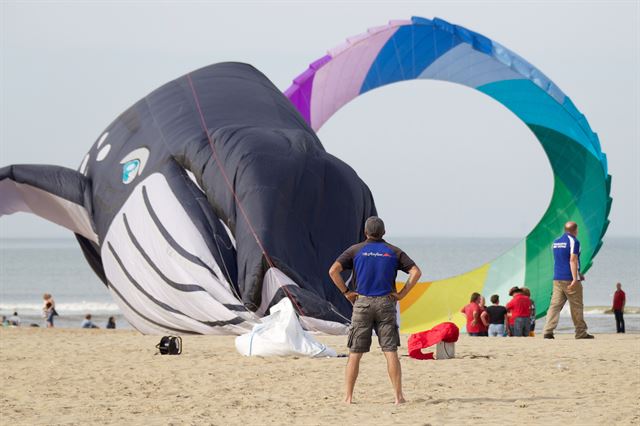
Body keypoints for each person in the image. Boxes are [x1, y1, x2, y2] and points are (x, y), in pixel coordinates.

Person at [328, 216, 421, 405]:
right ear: (384, 232)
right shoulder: (393, 251)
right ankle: (398, 397)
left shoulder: (356, 250)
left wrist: (346, 292)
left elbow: (333, 271)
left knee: (355, 352)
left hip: (362, 303)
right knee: (390, 351)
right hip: (386, 303)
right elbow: (416, 272)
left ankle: (348, 397)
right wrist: (402, 293)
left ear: (365, 232)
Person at [543, 221, 593, 339]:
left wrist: (578, 272)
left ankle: (547, 331)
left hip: (557, 278)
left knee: (554, 305)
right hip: (569, 279)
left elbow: (562, 260)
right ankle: (581, 333)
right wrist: (575, 278)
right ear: (575, 230)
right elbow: (572, 260)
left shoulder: (556, 242)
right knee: (576, 306)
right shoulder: (574, 241)